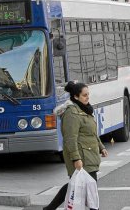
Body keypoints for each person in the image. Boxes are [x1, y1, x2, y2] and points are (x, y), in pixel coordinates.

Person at [43, 81, 108, 210]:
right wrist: (76, 158)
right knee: (89, 186)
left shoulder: (85, 109)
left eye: (88, 94)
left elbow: (91, 133)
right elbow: (70, 138)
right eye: (84, 95)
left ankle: (49, 209)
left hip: (89, 154)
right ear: (76, 97)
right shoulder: (72, 113)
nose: (87, 97)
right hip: (81, 156)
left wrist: (101, 147)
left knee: (77, 185)